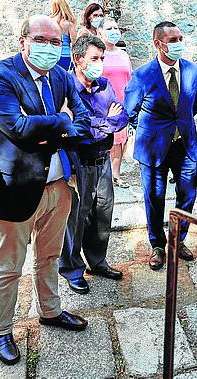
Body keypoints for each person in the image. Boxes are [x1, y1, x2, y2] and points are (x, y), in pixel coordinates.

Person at [0, 15, 92, 365]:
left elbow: (84, 121)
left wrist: (51, 128)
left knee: (49, 256)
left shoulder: (61, 75)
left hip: (59, 184)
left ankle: (50, 310)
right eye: (42, 39)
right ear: (22, 41)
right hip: (14, 187)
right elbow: (17, 128)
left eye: (56, 42)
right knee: (9, 265)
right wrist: (63, 122)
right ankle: (1, 330)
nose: (50, 48)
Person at [123, 21, 197, 270]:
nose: (179, 43)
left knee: (187, 195)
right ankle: (157, 245)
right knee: (154, 198)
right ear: (158, 44)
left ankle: (178, 240)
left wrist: (178, 126)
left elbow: (196, 103)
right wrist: (152, 130)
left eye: (180, 39)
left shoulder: (192, 70)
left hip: (184, 144)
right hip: (153, 148)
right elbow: (130, 111)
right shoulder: (142, 75)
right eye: (173, 40)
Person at [59, 35, 129, 293]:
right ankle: (72, 269)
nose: (100, 63)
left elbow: (122, 115)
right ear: (78, 59)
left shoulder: (104, 85)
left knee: (102, 214)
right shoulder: (66, 89)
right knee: (76, 218)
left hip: (103, 160)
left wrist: (99, 124)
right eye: (95, 58)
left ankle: (97, 261)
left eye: (102, 58)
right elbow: (76, 128)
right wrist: (105, 122)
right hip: (79, 163)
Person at [99, 17, 133, 187]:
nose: (113, 31)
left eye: (115, 28)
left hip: (122, 102)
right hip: (103, 102)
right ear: (100, 32)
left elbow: (130, 78)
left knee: (119, 140)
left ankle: (116, 174)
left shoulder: (123, 54)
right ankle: (101, 174)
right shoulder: (98, 55)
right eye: (109, 28)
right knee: (105, 138)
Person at [50, 0, 78, 71]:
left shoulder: (49, 21)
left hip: (52, 55)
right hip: (65, 56)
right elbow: (74, 43)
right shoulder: (68, 24)